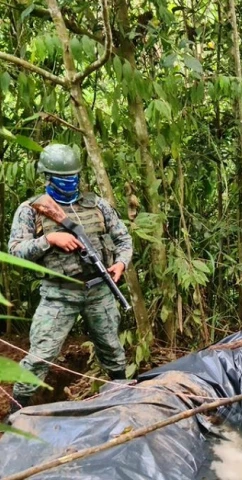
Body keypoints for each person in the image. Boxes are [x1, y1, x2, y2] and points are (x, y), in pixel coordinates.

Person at [7, 143, 132, 413]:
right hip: (58, 295)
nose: (69, 182)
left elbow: (123, 239)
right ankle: (16, 415)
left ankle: (122, 403)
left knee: (112, 349)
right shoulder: (31, 210)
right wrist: (49, 239)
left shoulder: (98, 205)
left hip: (99, 291)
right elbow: (14, 251)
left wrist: (120, 264)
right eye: (62, 178)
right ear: (47, 177)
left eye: (73, 176)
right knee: (40, 357)